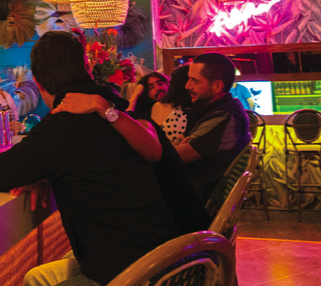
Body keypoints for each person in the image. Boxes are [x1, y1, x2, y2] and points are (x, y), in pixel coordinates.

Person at [0, 32, 177, 286]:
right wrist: (47, 171)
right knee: (36, 279)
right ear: (85, 68)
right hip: (169, 266)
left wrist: (41, 169)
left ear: (39, 83)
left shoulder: (63, 124)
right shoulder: (116, 111)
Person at [57, 63, 210, 234]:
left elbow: (155, 151)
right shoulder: (155, 112)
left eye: (160, 83)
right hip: (177, 197)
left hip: (173, 200)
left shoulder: (174, 111)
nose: (157, 89)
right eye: (150, 87)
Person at [179, 53, 251, 201]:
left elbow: (173, 158)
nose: (187, 86)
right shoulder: (214, 111)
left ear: (217, 86)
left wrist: (177, 144)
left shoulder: (225, 118)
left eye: (194, 80)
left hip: (195, 201)